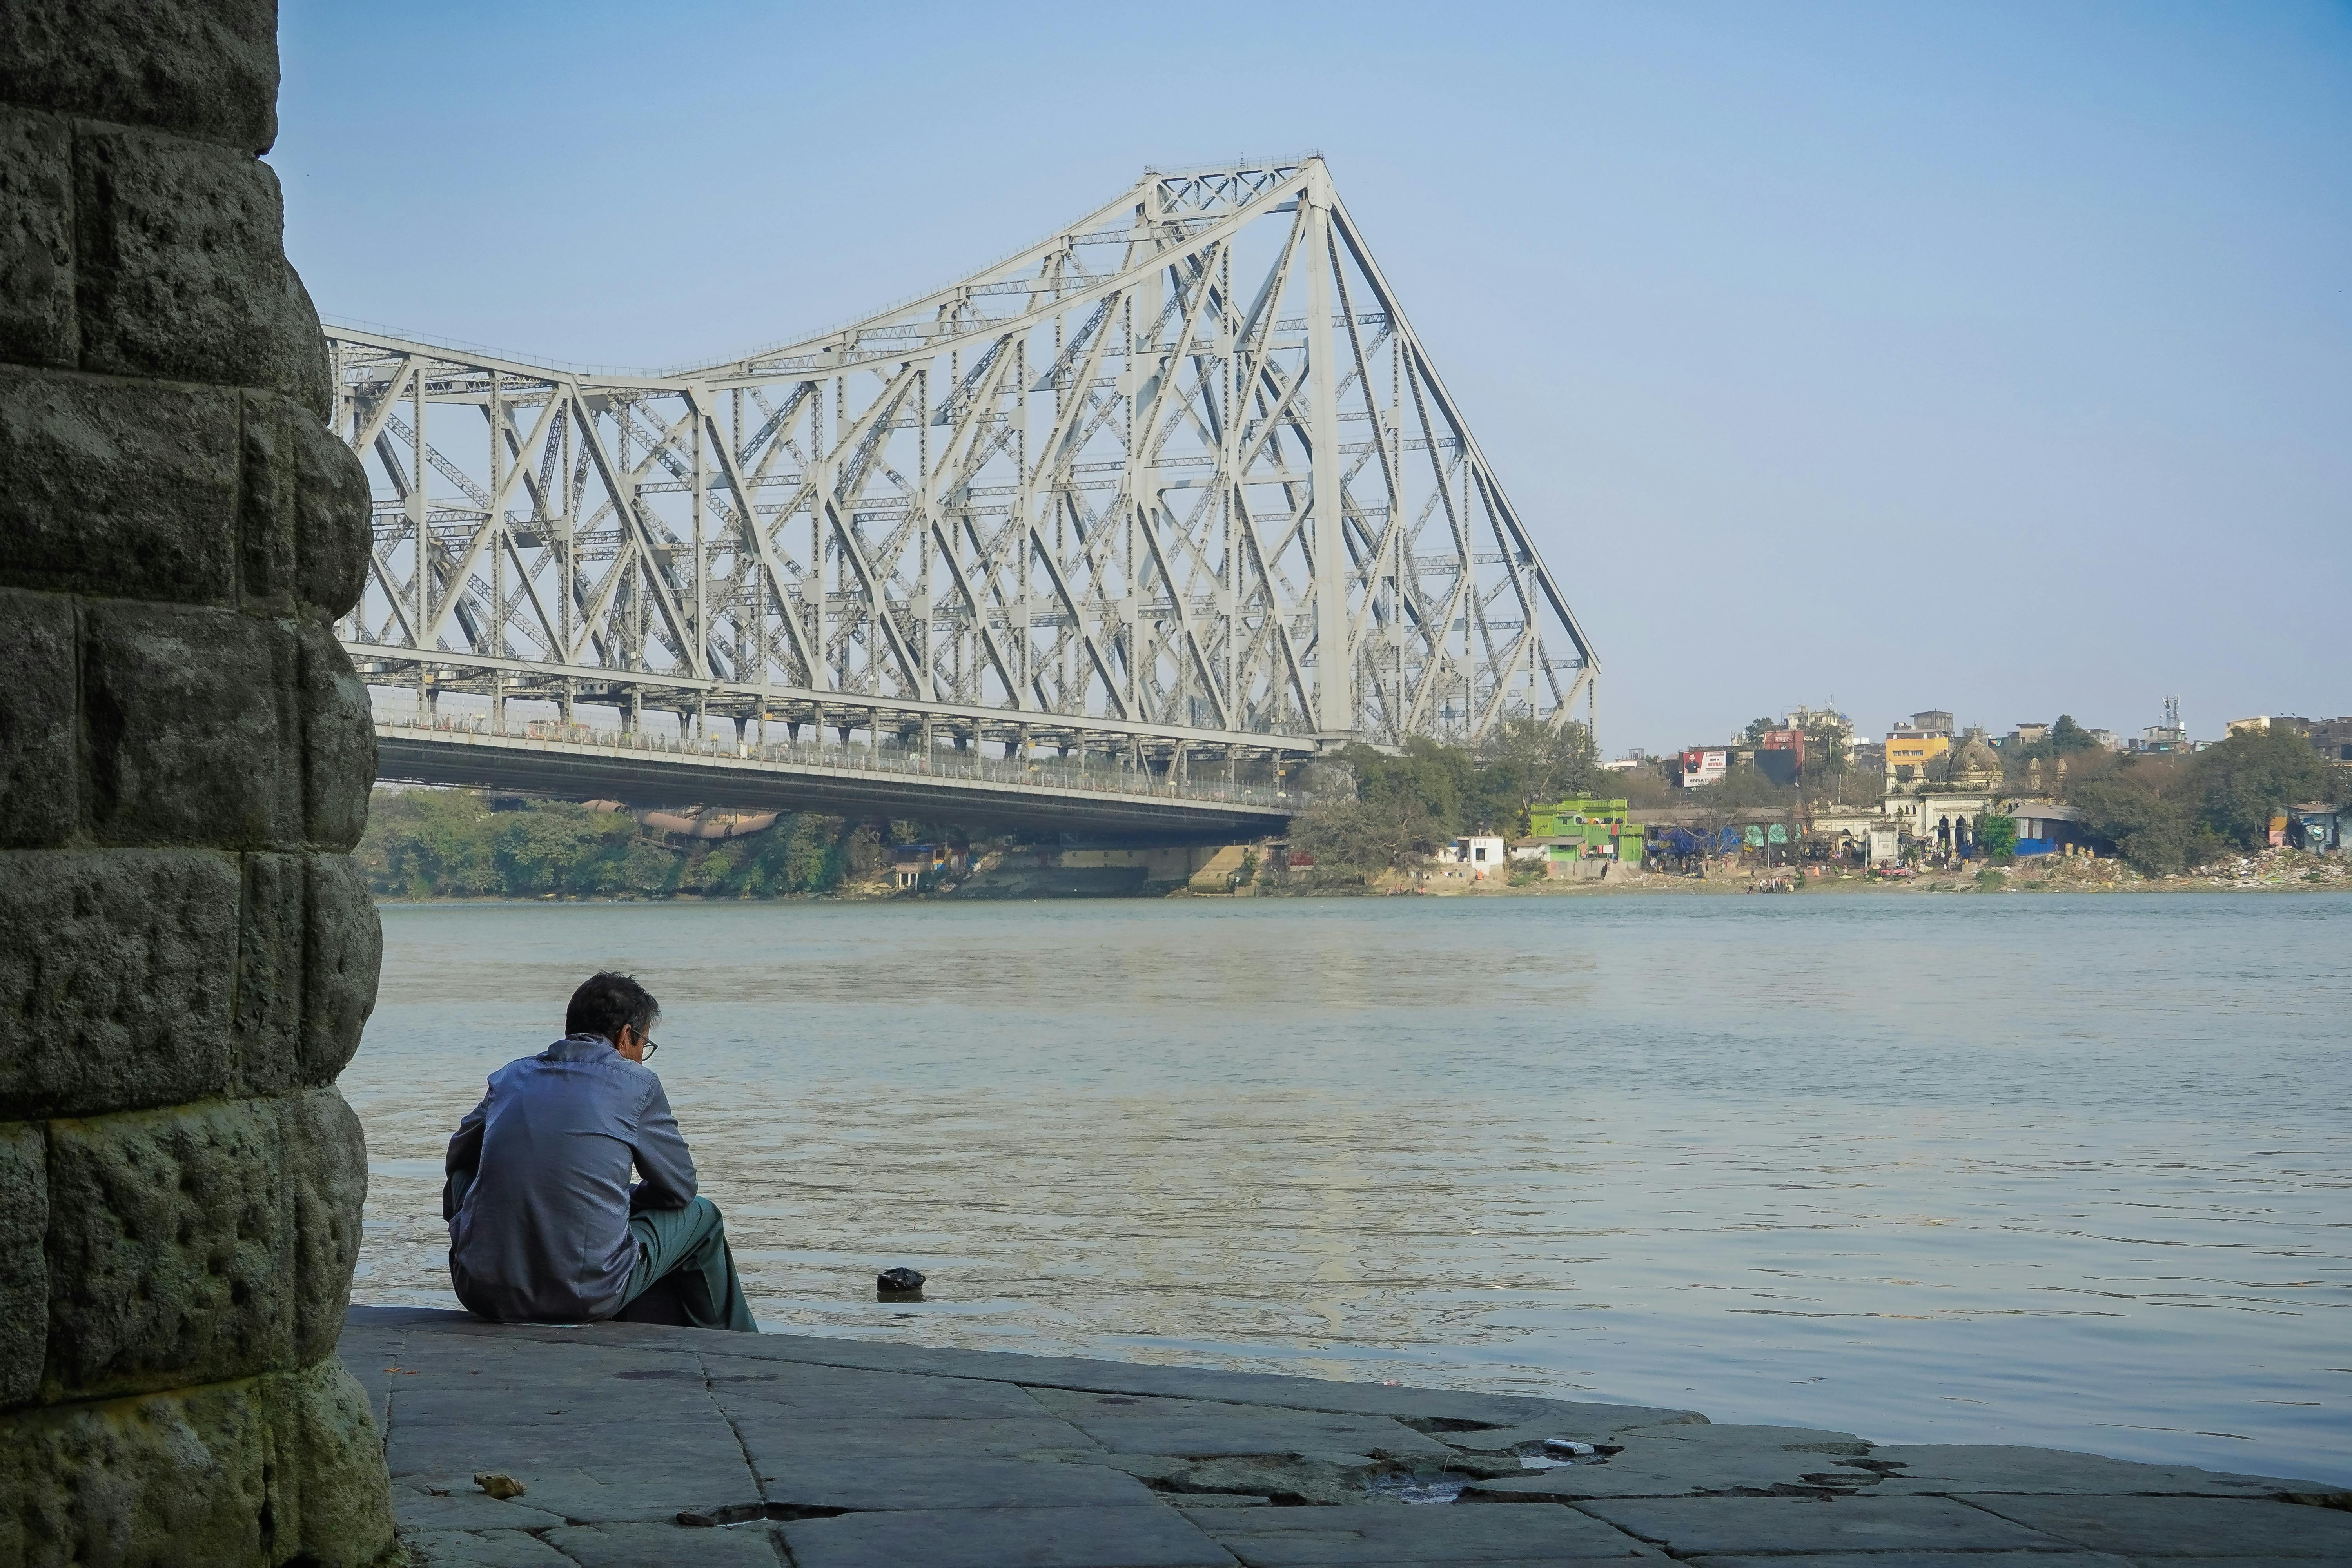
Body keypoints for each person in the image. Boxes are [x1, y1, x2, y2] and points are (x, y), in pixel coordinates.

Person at [443, 971, 757, 1331]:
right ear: (626, 1037)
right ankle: (740, 1343)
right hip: (586, 1294)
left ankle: (497, 1263)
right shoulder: (637, 1083)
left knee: (467, 1176)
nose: (641, 1058)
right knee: (703, 1216)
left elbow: (458, 1160)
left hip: (480, 1291)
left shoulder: (510, 1077)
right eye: (644, 1048)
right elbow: (680, 1189)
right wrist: (626, 1199)